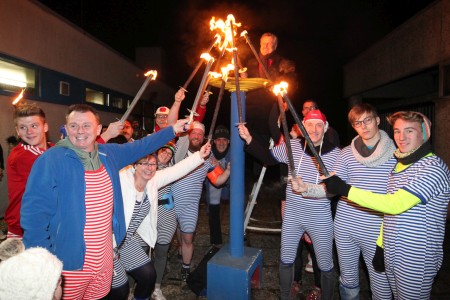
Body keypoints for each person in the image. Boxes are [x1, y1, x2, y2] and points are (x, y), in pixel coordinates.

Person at [20, 104, 187, 299]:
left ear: (99, 130)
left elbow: (141, 146)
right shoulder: (51, 160)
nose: (80, 131)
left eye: (86, 125)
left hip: (104, 259)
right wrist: (43, 263)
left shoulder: (108, 154)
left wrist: (173, 130)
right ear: (66, 128)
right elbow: (34, 216)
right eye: (73, 126)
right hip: (70, 264)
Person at [321, 111, 450, 299]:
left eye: (409, 131)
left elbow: (393, 204)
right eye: (397, 131)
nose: (401, 137)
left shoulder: (432, 168)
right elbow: (390, 216)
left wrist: (346, 190)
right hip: (392, 250)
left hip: (416, 256)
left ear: (424, 133)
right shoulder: (401, 166)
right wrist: (382, 246)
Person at [292, 103, 396, 299]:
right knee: (348, 281)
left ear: (377, 120)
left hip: (376, 230)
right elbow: (332, 189)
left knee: (381, 285)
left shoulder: (395, 155)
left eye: (368, 120)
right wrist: (307, 188)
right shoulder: (347, 153)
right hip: (345, 227)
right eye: (358, 122)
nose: (363, 126)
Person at [238, 109, 339, 300]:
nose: (314, 129)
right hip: (294, 215)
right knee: (286, 259)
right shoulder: (292, 146)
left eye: (319, 125)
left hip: (320, 217)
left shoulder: (335, 153)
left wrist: (307, 188)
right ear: (302, 127)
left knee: (325, 264)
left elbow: (333, 190)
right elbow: (267, 158)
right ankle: (284, 296)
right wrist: (249, 138)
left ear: (325, 128)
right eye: (309, 124)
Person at [109, 142, 212, 300]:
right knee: (121, 289)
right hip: (109, 242)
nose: (149, 168)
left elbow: (177, 171)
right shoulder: (122, 180)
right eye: (144, 163)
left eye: (152, 164)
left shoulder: (153, 181)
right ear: (135, 165)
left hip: (127, 241)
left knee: (149, 275)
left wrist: (199, 155)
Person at [171, 121, 230, 283]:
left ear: (203, 137)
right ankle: (179, 247)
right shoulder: (178, 151)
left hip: (190, 205)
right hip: (171, 202)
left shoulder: (208, 156)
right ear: (188, 135)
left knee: (188, 237)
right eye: (193, 133)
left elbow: (217, 181)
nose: (196, 136)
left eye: (199, 134)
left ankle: (185, 267)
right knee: (177, 232)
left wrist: (228, 171)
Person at [5, 103, 52, 239]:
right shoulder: (21, 155)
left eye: (34, 126)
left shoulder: (51, 149)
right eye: (23, 128)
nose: (29, 132)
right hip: (23, 230)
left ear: (45, 127)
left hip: (45, 225)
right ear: (17, 131)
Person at [205, 125, 231, 246]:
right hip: (213, 188)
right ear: (214, 141)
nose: (221, 143)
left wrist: (220, 168)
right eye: (218, 140)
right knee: (213, 212)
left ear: (229, 141)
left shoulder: (234, 154)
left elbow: (234, 178)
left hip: (230, 187)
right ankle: (216, 242)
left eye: (224, 140)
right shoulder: (208, 153)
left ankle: (240, 235)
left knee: (238, 207)